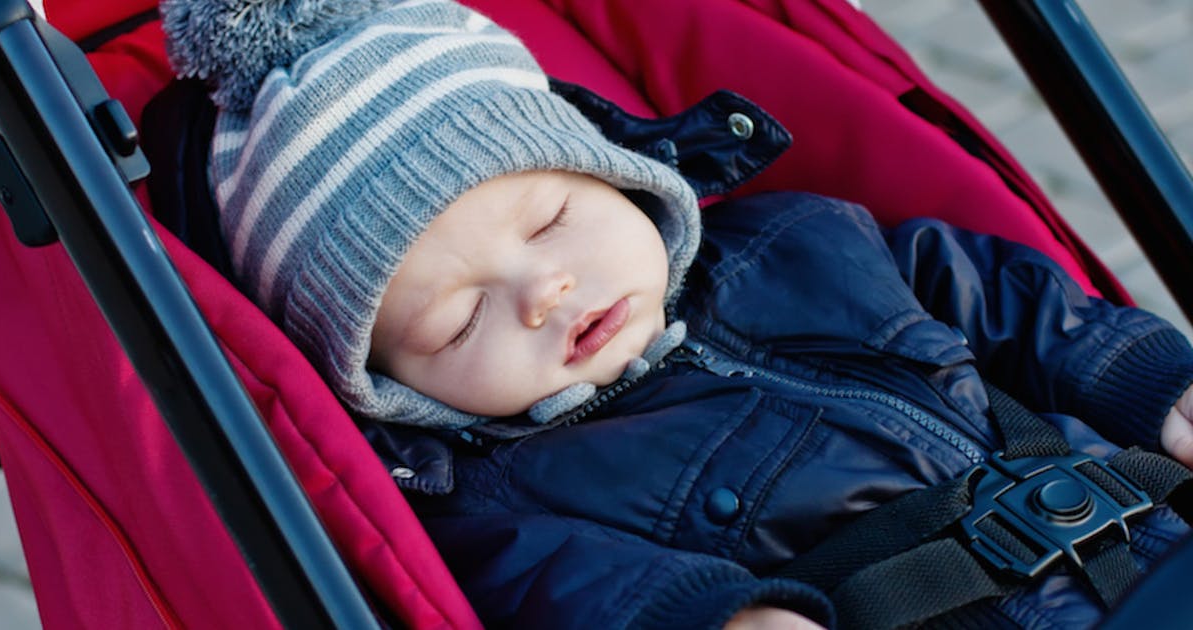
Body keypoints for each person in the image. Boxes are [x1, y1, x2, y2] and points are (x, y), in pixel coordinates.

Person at [161, 0, 1193, 627]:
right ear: (391, 388)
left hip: (1145, 537)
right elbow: (561, 593)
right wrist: (714, 617)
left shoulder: (804, 238)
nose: (543, 292)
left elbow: (1002, 295)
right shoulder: (493, 496)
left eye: (551, 219)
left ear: (623, 179)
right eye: (458, 320)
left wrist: (1150, 383)